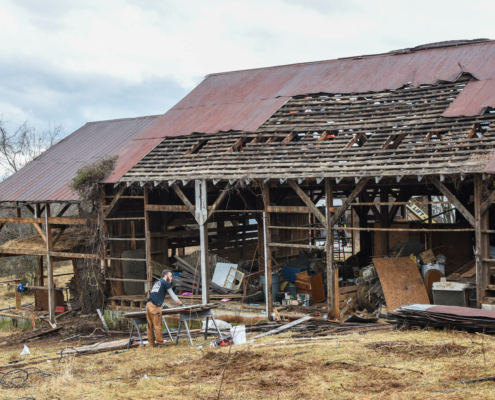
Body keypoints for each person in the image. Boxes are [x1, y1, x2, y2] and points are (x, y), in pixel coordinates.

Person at [146, 269, 182, 346]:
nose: (171, 278)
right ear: (165, 276)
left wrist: (163, 305)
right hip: (154, 307)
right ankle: (160, 343)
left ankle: (151, 344)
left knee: (150, 325)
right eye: (170, 276)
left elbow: (155, 296)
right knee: (157, 325)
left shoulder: (157, 283)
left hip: (148, 305)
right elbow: (173, 295)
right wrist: (181, 304)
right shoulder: (166, 283)